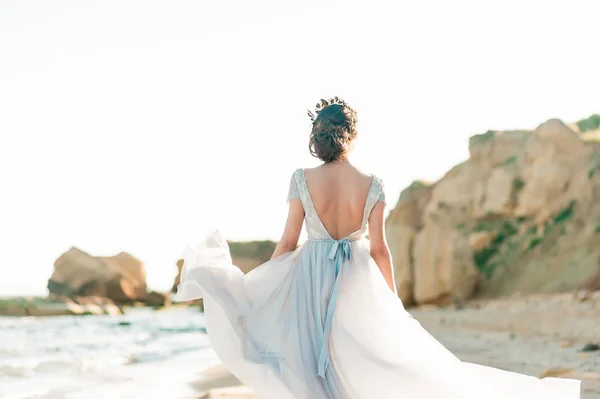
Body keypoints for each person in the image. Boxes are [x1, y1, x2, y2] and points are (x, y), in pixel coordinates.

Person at [175, 98, 581, 399]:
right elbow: (381, 250)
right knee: (356, 352)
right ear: (350, 137)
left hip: (309, 273)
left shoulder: (301, 178)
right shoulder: (374, 184)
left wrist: (265, 288)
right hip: (356, 274)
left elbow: (288, 241)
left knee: (309, 355)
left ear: (316, 136)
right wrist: (392, 301)